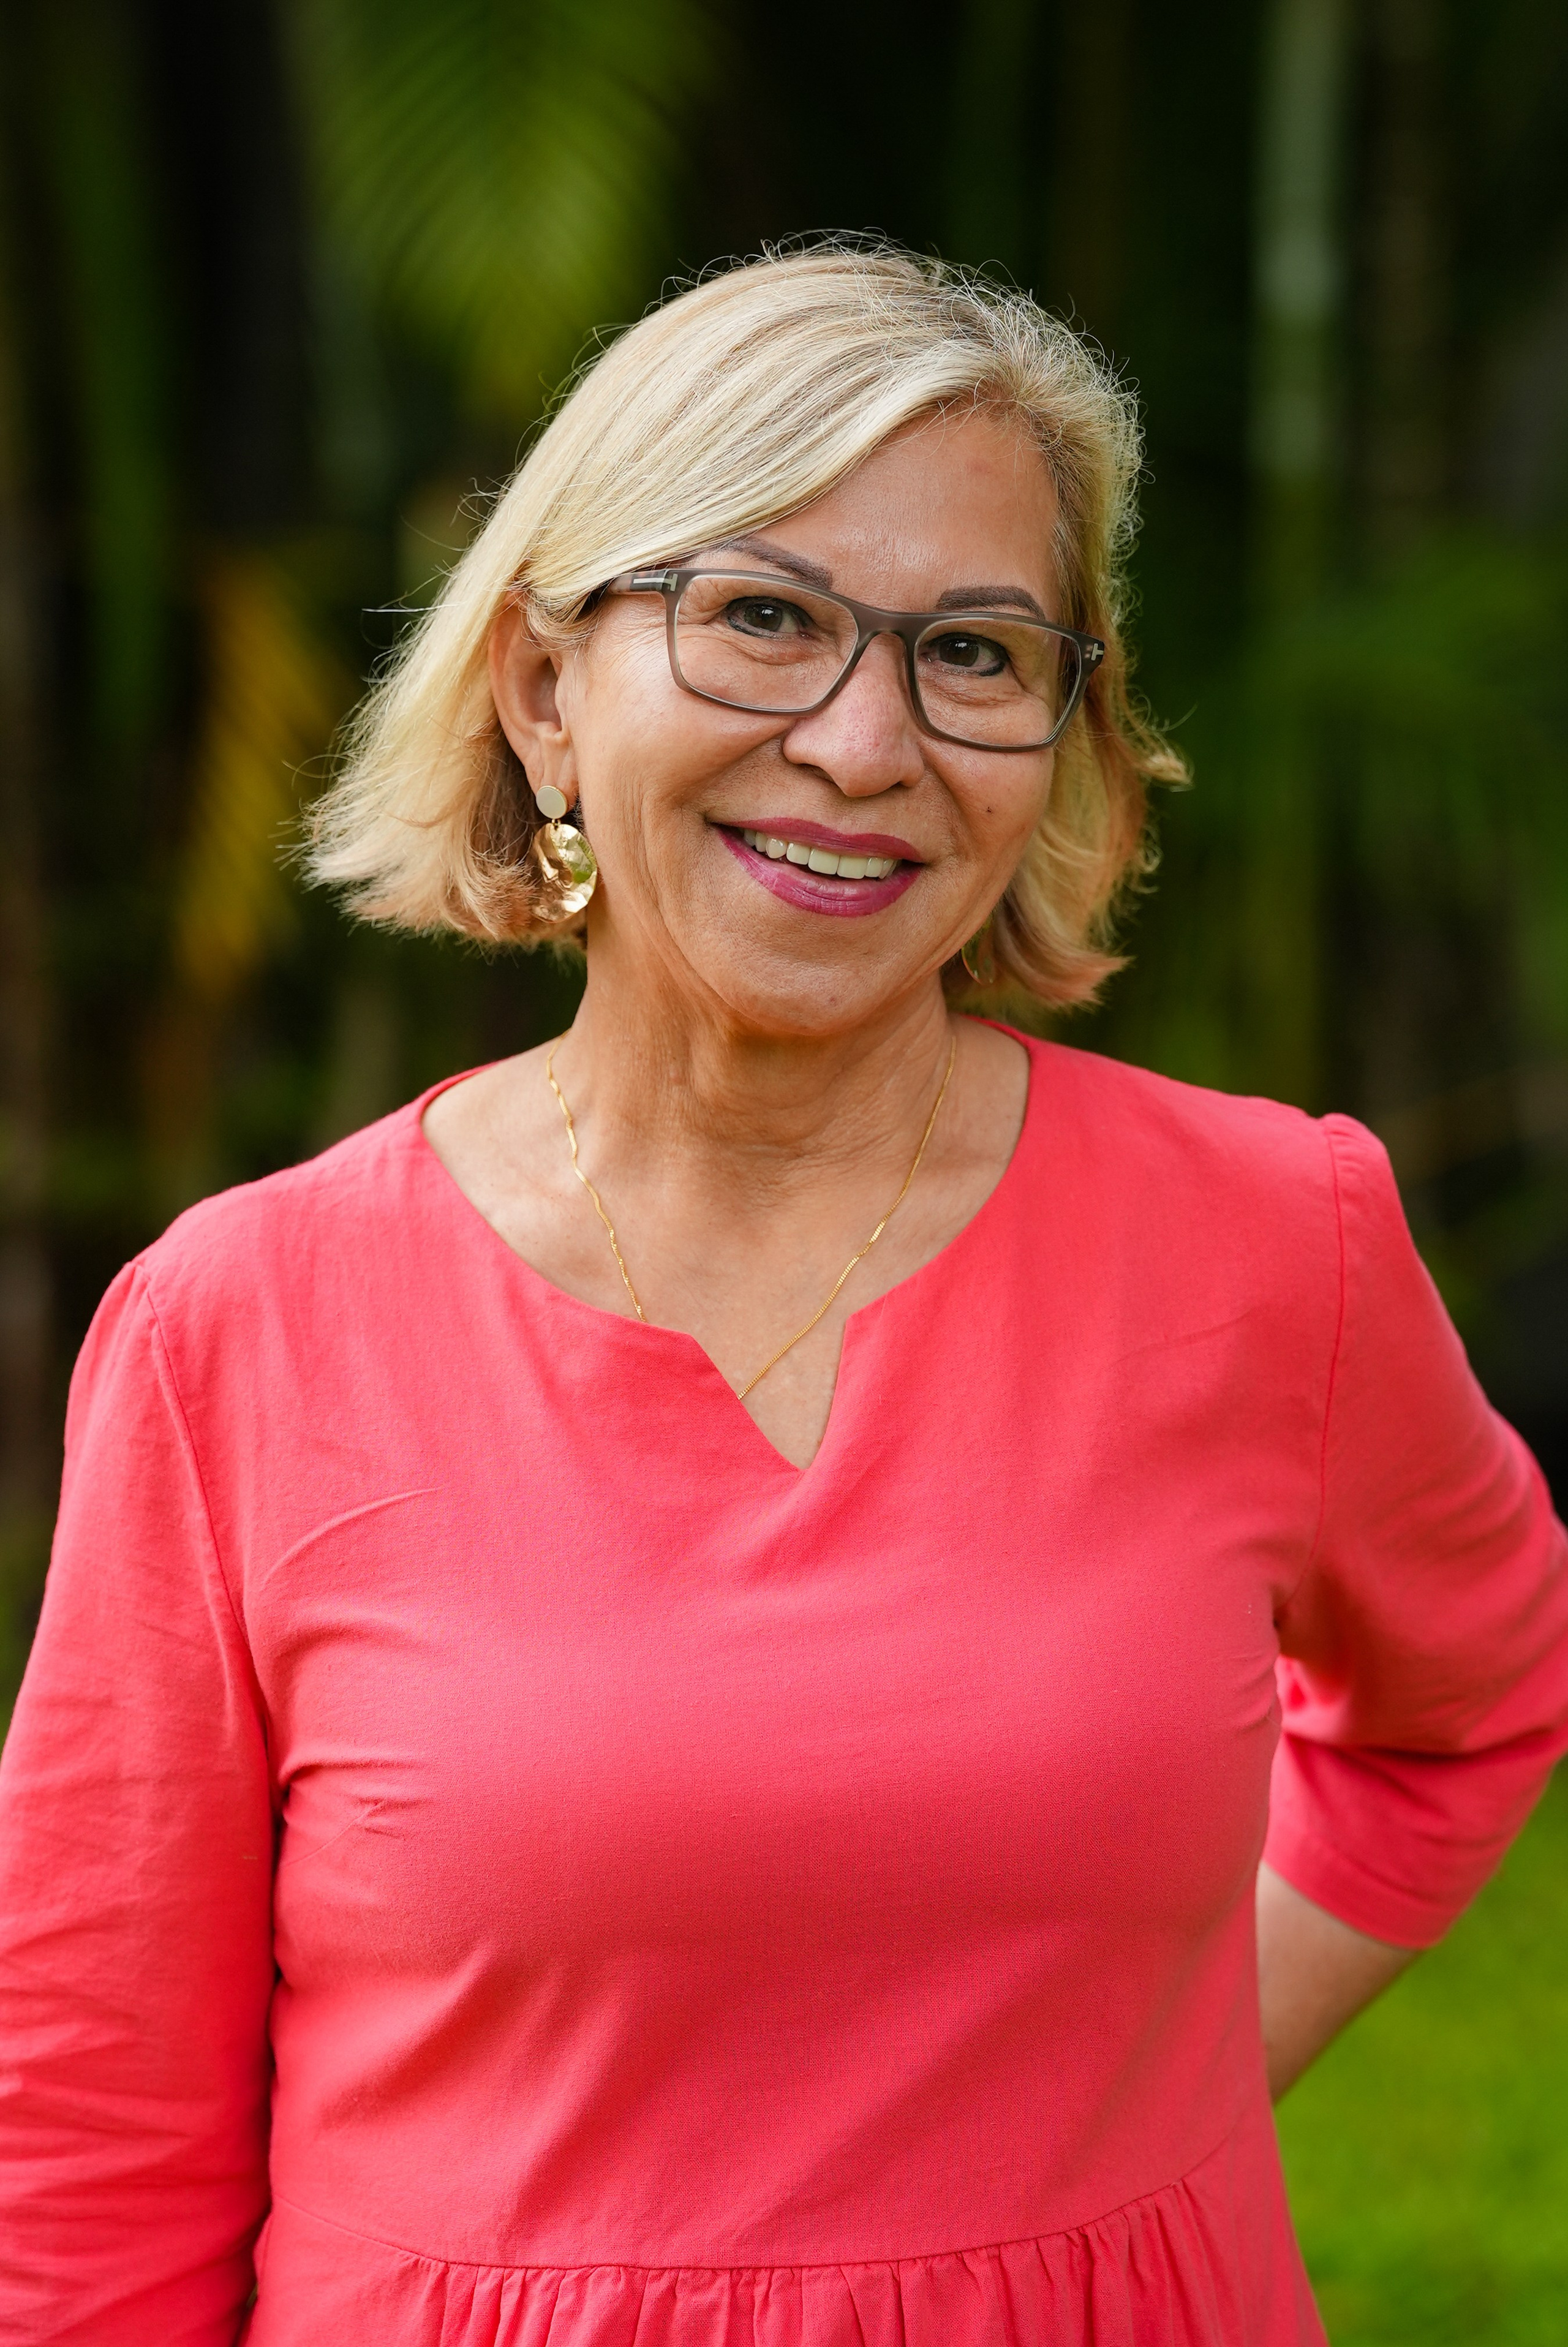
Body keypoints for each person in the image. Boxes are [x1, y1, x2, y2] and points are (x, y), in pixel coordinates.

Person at [2, 244, 1565, 2347]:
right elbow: (86, 2141)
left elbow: (1473, 1694)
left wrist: (1161, 2092)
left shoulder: (1279, 1237)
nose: (861, 742)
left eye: (977, 655)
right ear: (547, 685)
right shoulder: (241, 1329)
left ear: (1060, 735)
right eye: (760, 617)